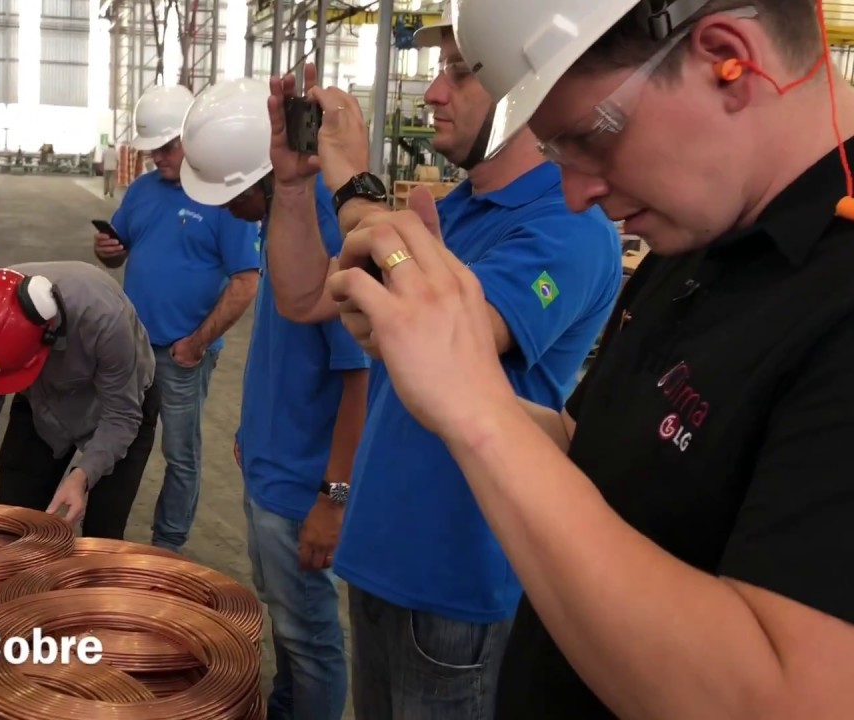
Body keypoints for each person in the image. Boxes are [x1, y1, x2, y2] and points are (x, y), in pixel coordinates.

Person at [324, 0, 854, 718]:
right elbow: (601, 457)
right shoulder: (704, 235)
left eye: (590, 139)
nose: (577, 196)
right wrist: (445, 377)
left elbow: (786, 698)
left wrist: (477, 411)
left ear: (731, 59)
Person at [263, 21, 623, 719]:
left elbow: (444, 333)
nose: (432, 93)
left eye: (459, 71)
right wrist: (290, 186)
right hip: (381, 559)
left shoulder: (569, 227)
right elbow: (303, 296)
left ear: (528, 90)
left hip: (460, 581)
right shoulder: (445, 217)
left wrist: (352, 182)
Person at [180, 76, 369, 720]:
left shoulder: (325, 229)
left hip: (304, 488)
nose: (223, 209)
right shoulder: (281, 220)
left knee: (312, 639)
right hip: (273, 468)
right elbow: (288, 351)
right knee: (289, 629)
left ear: (260, 178)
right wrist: (255, 430)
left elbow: (360, 377)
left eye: (229, 194)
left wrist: (333, 498)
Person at [93, 83, 260, 553]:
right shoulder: (143, 191)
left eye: (166, 148)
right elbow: (116, 251)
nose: (158, 159)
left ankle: (167, 545)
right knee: (118, 439)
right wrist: (106, 250)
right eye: (152, 151)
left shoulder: (223, 195)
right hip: (131, 350)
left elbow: (246, 282)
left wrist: (197, 343)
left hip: (183, 355)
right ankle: (105, 536)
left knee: (180, 455)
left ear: (192, 137)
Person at [0, 260, 159, 539]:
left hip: (117, 405)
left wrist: (83, 475)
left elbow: (121, 415)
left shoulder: (102, 317)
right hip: (39, 402)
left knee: (101, 536)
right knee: (12, 526)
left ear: (47, 334)